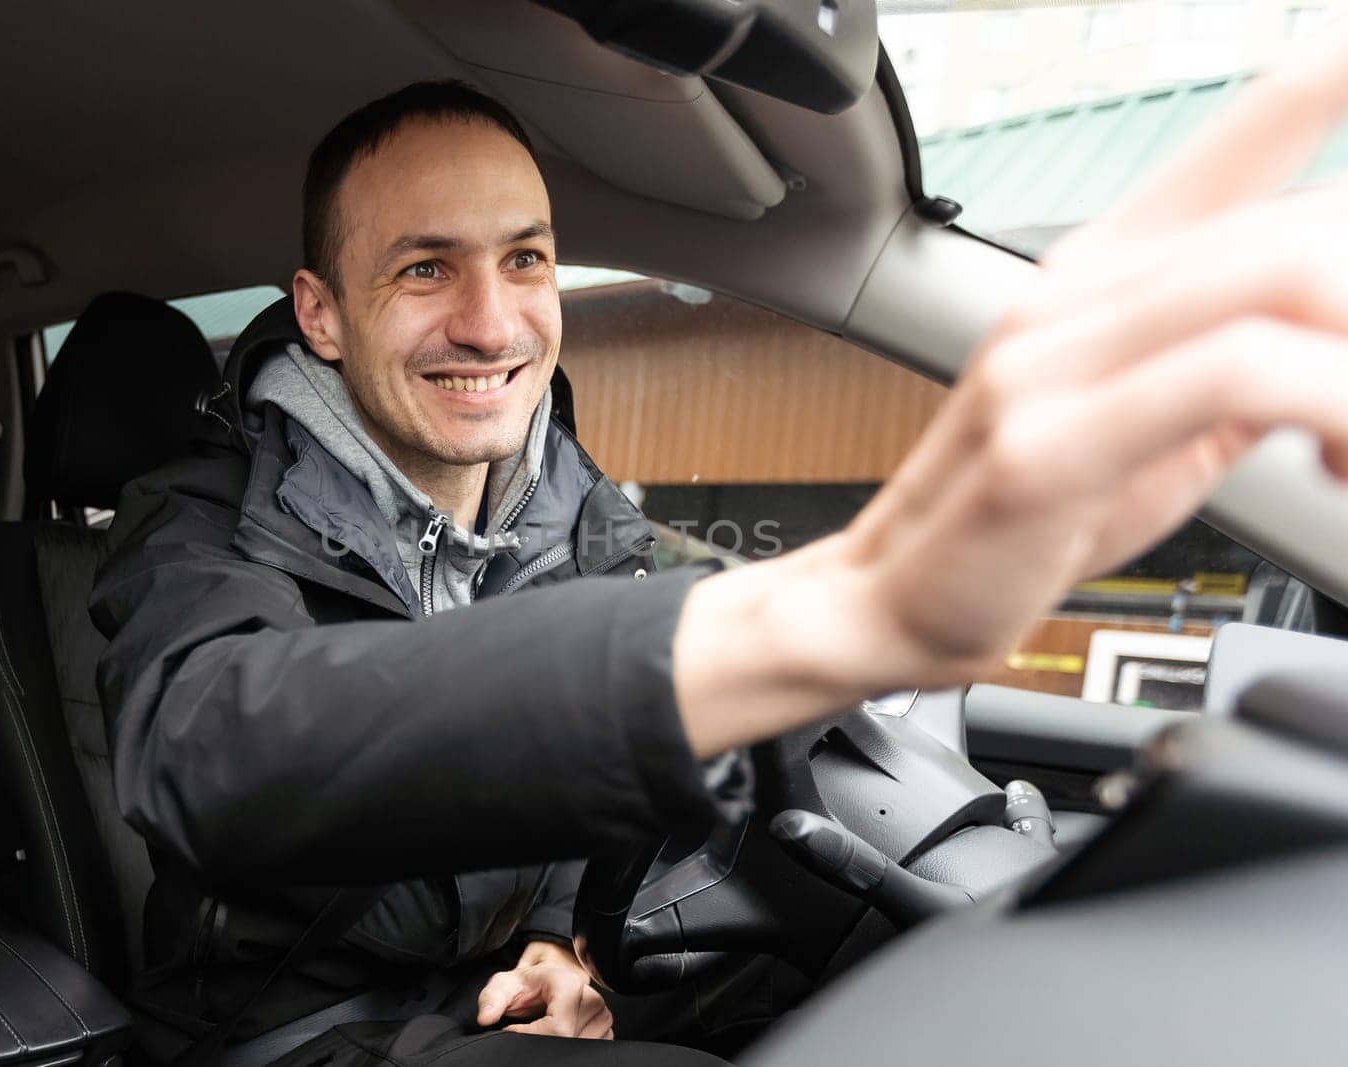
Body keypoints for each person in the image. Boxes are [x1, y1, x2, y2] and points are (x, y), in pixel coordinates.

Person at [91, 35, 1348, 1067]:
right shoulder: (198, 519)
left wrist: (571, 950)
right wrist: (848, 606)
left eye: (523, 258)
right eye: (425, 267)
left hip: (480, 1002)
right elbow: (213, 747)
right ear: (321, 312)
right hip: (279, 1036)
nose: (490, 322)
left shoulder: (572, 509)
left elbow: (643, 723)